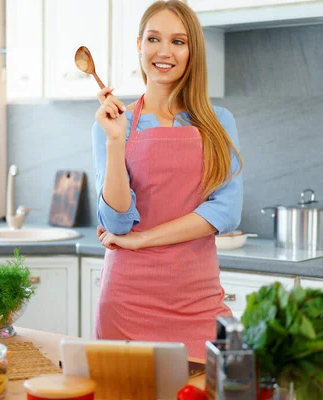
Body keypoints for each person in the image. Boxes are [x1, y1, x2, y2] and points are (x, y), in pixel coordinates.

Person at [91, 0, 243, 358]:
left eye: (178, 41)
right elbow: (115, 222)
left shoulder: (217, 121)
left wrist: (145, 241)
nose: (164, 51)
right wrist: (115, 141)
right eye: (154, 39)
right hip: (127, 303)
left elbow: (227, 210)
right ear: (139, 45)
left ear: (193, 51)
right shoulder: (113, 123)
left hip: (198, 300)